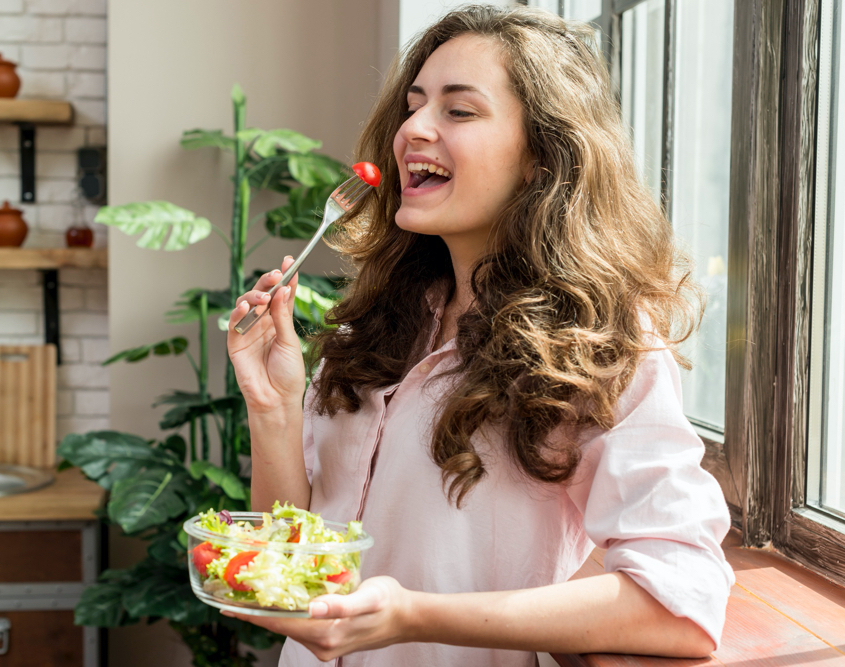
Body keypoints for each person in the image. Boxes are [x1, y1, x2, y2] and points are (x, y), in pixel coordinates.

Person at [225, 5, 734, 666]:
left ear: (540, 158)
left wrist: (412, 614)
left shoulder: (600, 345)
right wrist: (272, 409)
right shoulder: (378, 323)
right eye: (413, 106)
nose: (413, 128)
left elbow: (682, 602)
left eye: (458, 111)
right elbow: (292, 576)